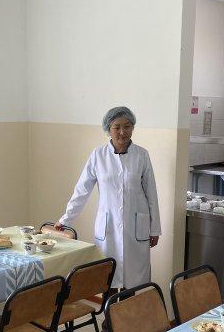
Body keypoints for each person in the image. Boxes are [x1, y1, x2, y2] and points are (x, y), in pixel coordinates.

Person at [56, 106, 161, 289]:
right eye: (116, 127)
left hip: (136, 227)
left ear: (132, 127)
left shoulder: (142, 155)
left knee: (132, 284)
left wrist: (155, 229)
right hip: (108, 227)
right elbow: (82, 191)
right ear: (108, 129)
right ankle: (109, 309)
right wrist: (66, 220)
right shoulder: (98, 155)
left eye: (127, 126)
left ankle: (128, 309)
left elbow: (151, 193)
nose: (122, 132)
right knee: (107, 280)